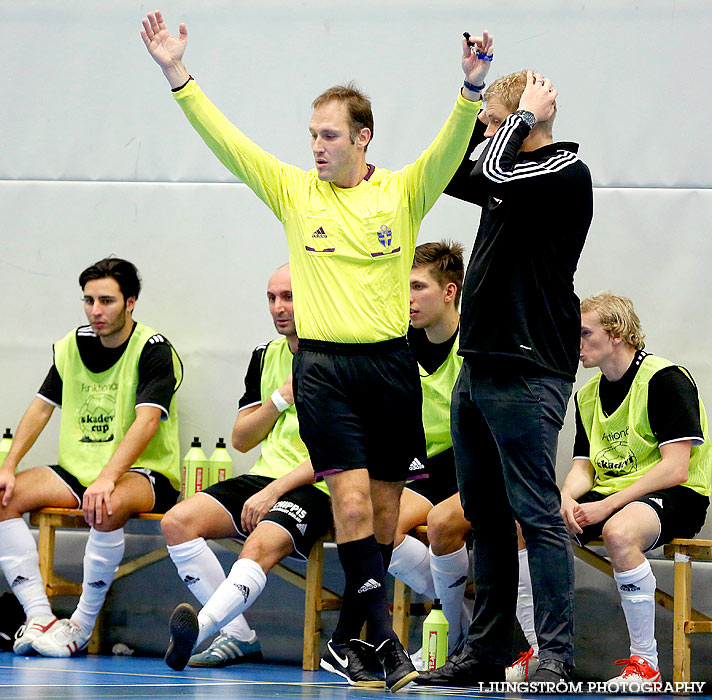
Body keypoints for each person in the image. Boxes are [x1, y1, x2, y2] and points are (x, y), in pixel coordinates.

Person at [140, 10, 493, 692]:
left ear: (363, 138)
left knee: (385, 517)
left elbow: (449, 148)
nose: (317, 147)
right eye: (312, 135)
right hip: (327, 371)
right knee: (353, 507)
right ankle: (385, 640)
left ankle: (352, 641)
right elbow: (228, 142)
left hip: (392, 369)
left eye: (329, 136)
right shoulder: (295, 193)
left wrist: (470, 91)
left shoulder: (402, 191)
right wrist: (175, 72)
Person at [416, 69, 593, 687]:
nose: (488, 135)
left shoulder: (562, 173)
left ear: (528, 123)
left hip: (528, 368)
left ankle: (556, 657)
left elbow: (494, 168)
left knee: (534, 513)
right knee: (483, 514)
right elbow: (456, 167)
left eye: (496, 123)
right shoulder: (504, 174)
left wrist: (522, 117)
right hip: (479, 363)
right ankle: (488, 648)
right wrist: (470, 93)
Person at [0, 257, 182, 657]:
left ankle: (80, 627)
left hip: (143, 473)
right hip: (79, 470)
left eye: (107, 301)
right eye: (88, 301)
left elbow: (148, 422)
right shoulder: (72, 345)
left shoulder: (154, 349)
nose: (96, 311)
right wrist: (9, 467)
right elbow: (41, 407)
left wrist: (107, 478)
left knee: (106, 504)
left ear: (131, 302)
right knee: (3, 498)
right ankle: (40, 618)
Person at [161, 264, 333, 673]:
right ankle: (238, 636)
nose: (278, 307)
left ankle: (199, 629)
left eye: (288, 297)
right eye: (272, 298)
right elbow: (241, 438)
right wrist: (281, 397)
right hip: (265, 478)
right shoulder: (266, 355)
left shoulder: (338, 357)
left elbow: (337, 451)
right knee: (177, 522)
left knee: (259, 544)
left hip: (319, 484)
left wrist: (275, 492)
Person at [561, 292, 710, 690]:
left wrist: (605, 506)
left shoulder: (665, 379)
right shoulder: (588, 395)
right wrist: (565, 498)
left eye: (584, 333)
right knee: (529, 527)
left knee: (619, 532)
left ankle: (646, 665)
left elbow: (676, 468)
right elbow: (583, 466)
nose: (574, 343)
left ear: (617, 334)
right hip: (615, 495)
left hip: (678, 494)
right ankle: (539, 656)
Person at [386, 241, 471, 662]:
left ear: (449, 291)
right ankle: (461, 615)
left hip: (477, 468)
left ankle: (451, 637)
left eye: (418, 287)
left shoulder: (477, 340)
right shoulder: (399, 342)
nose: (408, 299)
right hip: (427, 468)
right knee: (373, 523)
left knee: (441, 524)